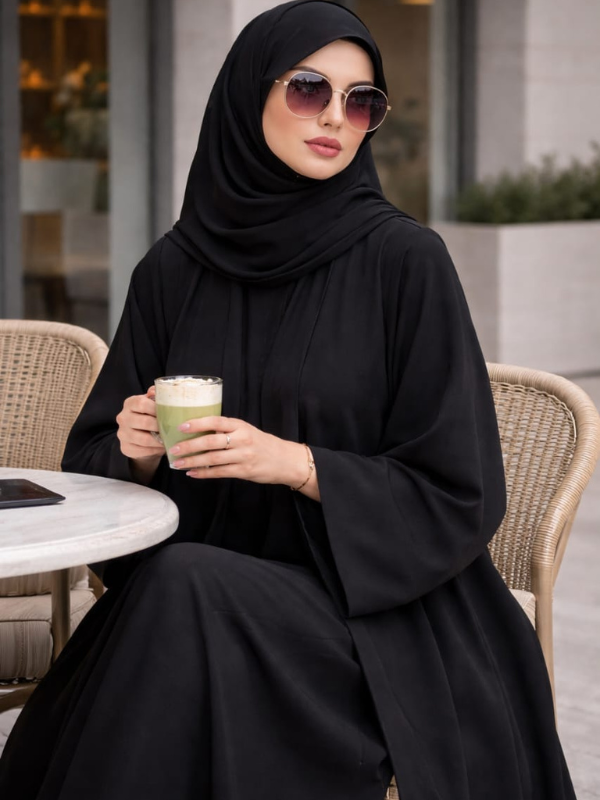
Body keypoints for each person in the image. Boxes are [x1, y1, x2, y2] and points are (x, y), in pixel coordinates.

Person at [0, 2, 577, 799]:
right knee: (182, 595)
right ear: (249, 94)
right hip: (200, 595)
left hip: (380, 620)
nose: (336, 117)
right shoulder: (173, 269)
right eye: (310, 89)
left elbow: (461, 491)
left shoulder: (405, 261)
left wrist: (298, 466)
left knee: (177, 601)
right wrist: (135, 450)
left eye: (361, 101)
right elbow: (94, 471)